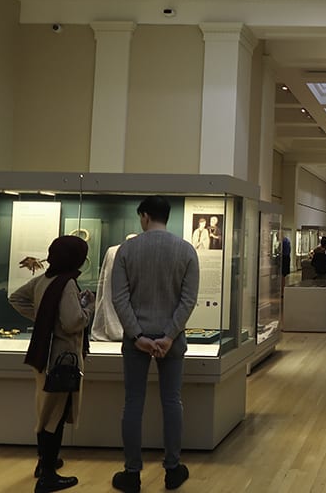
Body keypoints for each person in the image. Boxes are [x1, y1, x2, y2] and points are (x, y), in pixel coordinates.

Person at [110, 196, 199, 492]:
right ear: (167, 217)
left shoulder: (127, 250)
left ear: (144, 216)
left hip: (137, 341)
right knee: (172, 401)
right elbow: (188, 300)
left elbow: (119, 298)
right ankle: (173, 469)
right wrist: (169, 336)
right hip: (170, 341)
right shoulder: (186, 251)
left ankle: (132, 473)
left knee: (133, 402)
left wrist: (138, 337)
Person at [9, 235, 95, 493]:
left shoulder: (44, 279)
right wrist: (88, 308)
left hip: (42, 355)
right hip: (62, 358)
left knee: (44, 410)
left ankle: (44, 462)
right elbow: (72, 322)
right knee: (54, 416)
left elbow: (16, 298)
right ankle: (48, 474)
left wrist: (44, 317)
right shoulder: (67, 284)